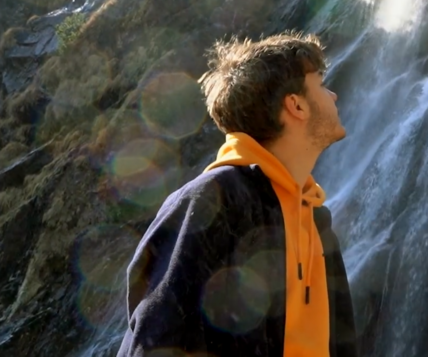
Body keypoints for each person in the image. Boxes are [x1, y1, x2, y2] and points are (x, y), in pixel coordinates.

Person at [116, 31, 359, 357]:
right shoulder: (213, 199)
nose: (334, 95)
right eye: (321, 84)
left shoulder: (316, 220)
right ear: (296, 105)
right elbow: (157, 337)